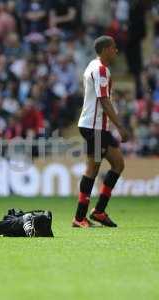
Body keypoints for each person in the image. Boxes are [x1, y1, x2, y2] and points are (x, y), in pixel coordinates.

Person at [74, 36, 129, 228]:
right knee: (93, 168)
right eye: (113, 48)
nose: (116, 51)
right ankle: (80, 217)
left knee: (118, 164)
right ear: (105, 49)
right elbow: (104, 100)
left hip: (99, 128)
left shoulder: (93, 65)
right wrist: (120, 126)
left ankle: (98, 211)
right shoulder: (100, 69)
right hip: (94, 127)